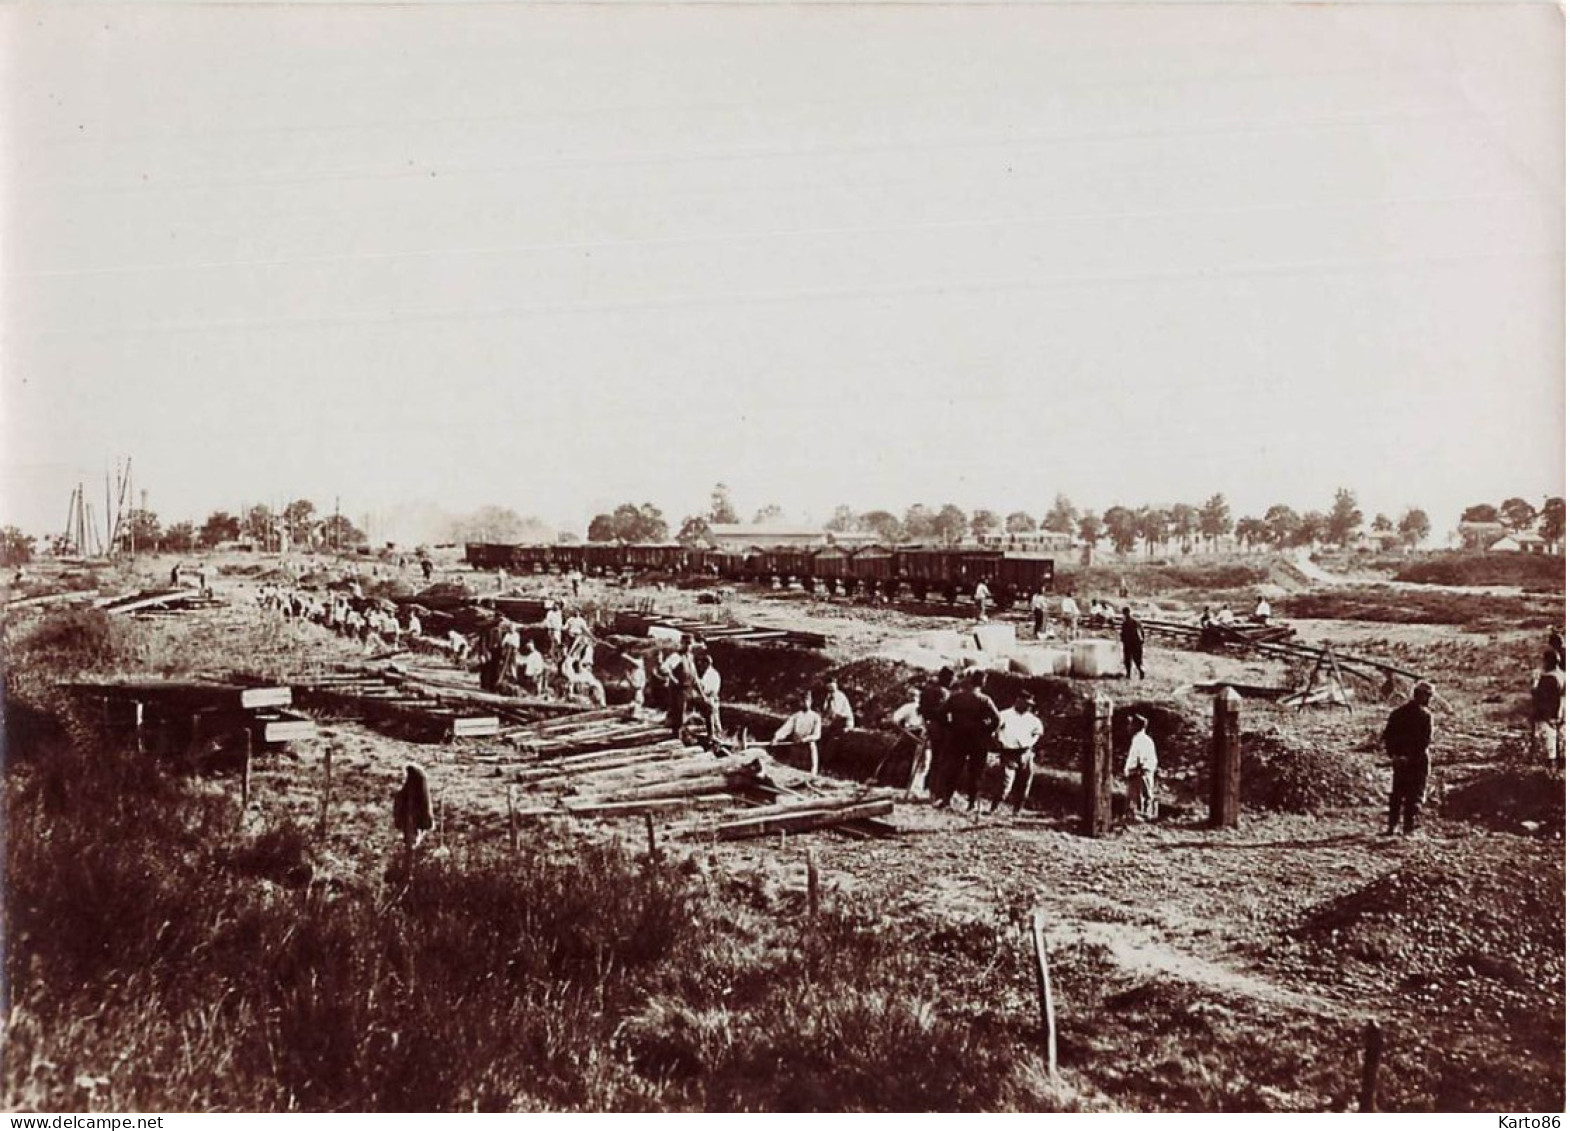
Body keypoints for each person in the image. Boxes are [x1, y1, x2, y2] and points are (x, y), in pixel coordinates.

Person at [940, 670, 1001, 811]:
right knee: (976, 772)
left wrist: (950, 726)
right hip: (978, 740)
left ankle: (946, 800)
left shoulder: (956, 697)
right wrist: (986, 730)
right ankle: (972, 803)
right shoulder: (985, 700)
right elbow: (997, 719)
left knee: (954, 768)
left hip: (957, 737)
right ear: (982, 683)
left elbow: (941, 713)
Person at [1382, 681, 1435, 836]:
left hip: (1399, 761)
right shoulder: (1425, 716)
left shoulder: (1397, 713)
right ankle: (1408, 829)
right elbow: (1424, 741)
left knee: (1397, 793)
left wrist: (1395, 756)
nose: (1429, 699)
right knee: (1414, 794)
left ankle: (1391, 827)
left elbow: (1388, 737)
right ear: (1424, 696)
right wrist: (1410, 757)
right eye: (1429, 696)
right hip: (1417, 762)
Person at [993, 692, 1044, 815]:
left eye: (1030, 705)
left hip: (1025, 753)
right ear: (1018, 701)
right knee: (1005, 783)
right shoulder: (1004, 715)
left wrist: (1031, 742)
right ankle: (994, 808)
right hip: (1009, 752)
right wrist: (998, 742)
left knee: (1024, 783)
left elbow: (1038, 732)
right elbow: (994, 730)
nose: (1028, 707)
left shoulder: (1033, 720)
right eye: (1025, 703)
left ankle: (1017, 810)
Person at [919, 668, 956, 801]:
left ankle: (927, 787)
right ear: (947, 679)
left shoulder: (927, 690)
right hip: (941, 729)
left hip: (930, 727)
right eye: (952, 679)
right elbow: (944, 713)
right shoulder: (944, 693)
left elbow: (921, 709)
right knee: (940, 761)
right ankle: (934, 791)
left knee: (934, 760)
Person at [773, 692, 824, 775]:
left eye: (807, 700)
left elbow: (817, 735)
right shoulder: (796, 716)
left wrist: (805, 739)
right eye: (803, 701)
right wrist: (776, 738)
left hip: (808, 748)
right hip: (796, 748)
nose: (805, 703)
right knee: (794, 772)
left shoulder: (816, 717)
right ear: (800, 702)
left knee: (809, 774)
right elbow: (786, 729)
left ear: (811, 702)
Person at [1530, 649, 1565, 769]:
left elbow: (1539, 695)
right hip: (1560, 712)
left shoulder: (1547, 679)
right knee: (1558, 742)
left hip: (1546, 715)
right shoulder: (1563, 675)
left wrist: (1535, 682)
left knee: (1547, 744)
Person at [890, 688, 928, 795]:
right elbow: (894, 720)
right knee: (914, 762)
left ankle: (916, 788)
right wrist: (905, 731)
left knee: (922, 763)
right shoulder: (909, 707)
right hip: (912, 735)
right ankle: (912, 787)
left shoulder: (918, 707)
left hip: (921, 734)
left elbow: (894, 719)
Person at [1124, 714, 1159, 821]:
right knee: (1139, 799)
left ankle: (1141, 820)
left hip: (1139, 775)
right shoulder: (1142, 740)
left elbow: (1139, 761)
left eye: (1130, 724)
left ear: (1136, 726)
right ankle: (1140, 818)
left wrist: (1133, 772)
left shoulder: (1141, 740)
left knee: (1140, 800)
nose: (1128, 727)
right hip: (1139, 774)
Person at [393, 763, 434, 850]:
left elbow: (397, 809)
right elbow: (426, 804)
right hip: (416, 801)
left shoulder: (401, 823)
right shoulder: (425, 823)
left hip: (409, 803)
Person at [695, 651, 723, 742]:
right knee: (712, 716)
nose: (701, 666)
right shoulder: (705, 673)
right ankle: (712, 733)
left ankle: (714, 735)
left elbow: (711, 688)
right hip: (707, 697)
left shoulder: (713, 674)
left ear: (707, 663)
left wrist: (701, 687)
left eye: (703, 664)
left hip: (712, 697)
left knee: (713, 715)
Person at [822, 679, 855, 743]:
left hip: (844, 721)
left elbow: (836, 712)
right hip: (835, 721)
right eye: (829, 686)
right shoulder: (829, 696)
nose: (830, 687)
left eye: (832, 686)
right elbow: (826, 710)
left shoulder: (839, 696)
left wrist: (827, 720)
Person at [1120, 606, 1146, 680]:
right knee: (1137, 660)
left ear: (1124, 613)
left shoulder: (1125, 623)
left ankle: (1129, 674)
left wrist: (1122, 640)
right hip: (1137, 643)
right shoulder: (1136, 621)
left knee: (1128, 659)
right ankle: (1140, 671)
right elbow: (1142, 631)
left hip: (1129, 643)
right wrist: (1142, 640)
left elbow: (1123, 634)